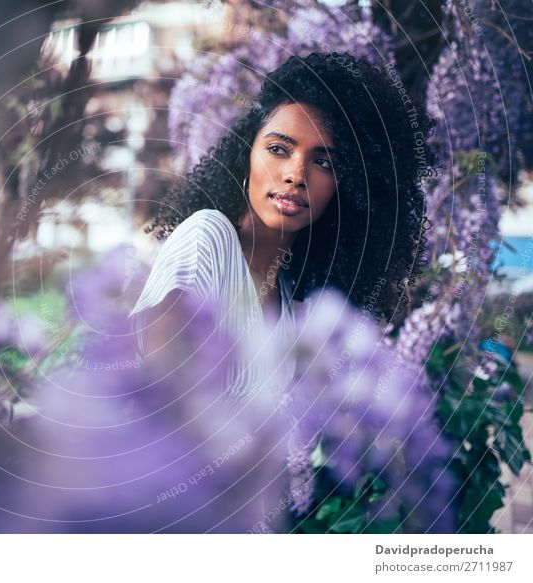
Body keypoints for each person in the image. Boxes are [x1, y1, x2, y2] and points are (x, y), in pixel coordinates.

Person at [128, 51, 435, 519]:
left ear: (348, 187)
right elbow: (155, 394)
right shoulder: (208, 238)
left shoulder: (293, 299)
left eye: (324, 162)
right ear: (245, 152)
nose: (295, 174)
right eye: (278, 149)